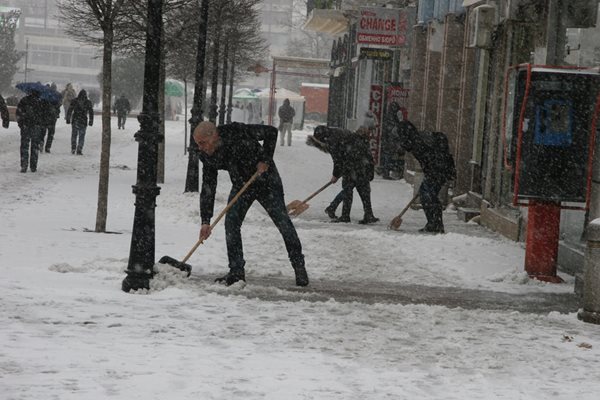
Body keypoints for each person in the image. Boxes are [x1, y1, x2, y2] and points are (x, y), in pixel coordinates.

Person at [193, 121, 309, 287]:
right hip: (242, 185)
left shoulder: (236, 131)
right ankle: (236, 272)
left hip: (266, 180)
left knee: (282, 222)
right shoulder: (207, 155)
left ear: (214, 135)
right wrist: (205, 220)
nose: (200, 148)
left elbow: (271, 132)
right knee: (231, 223)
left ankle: (299, 266)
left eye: (202, 143)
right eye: (198, 144)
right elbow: (208, 186)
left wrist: (265, 160)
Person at [394, 119, 456, 233]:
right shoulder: (416, 139)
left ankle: (436, 224)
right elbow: (427, 159)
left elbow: (431, 158)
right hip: (436, 170)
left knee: (429, 197)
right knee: (426, 196)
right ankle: (433, 223)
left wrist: (432, 172)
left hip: (438, 170)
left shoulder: (418, 141)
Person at [308, 125, 379, 224]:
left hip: (350, 164)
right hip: (362, 164)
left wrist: (335, 175)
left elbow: (337, 160)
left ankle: (345, 215)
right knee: (364, 191)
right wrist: (369, 171)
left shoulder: (332, 140)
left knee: (347, 190)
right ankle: (369, 214)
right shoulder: (339, 132)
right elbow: (368, 155)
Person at [16, 90, 45, 172]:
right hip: (36, 127)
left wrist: (21, 124)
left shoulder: (24, 100)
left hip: (26, 126)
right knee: (35, 147)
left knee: (24, 146)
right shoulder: (41, 102)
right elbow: (44, 116)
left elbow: (18, 112)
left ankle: (24, 165)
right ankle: (33, 166)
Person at [380, 102, 405, 180]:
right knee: (391, 157)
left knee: (388, 157)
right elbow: (394, 129)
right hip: (391, 141)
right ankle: (388, 172)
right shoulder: (394, 118)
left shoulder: (388, 117)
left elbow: (386, 129)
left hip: (388, 141)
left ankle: (386, 172)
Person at [66, 90, 94, 155]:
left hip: (75, 119)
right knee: (82, 136)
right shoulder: (88, 102)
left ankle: (73, 147)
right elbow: (91, 112)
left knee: (74, 134)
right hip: (83, 120)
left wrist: (68, 118)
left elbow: (70, 110)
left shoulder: (74, 101)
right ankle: (79, 148)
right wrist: (91, 121)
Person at [40, 83, 62, 153]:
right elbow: (59, 104)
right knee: (51, 133)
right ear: (55, 88)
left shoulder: (45, 94)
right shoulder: (58, 94)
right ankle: (48, 147)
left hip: (45, 115)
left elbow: (41, 104)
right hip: (53, 116)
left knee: (43, 132)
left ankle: (41, 143)